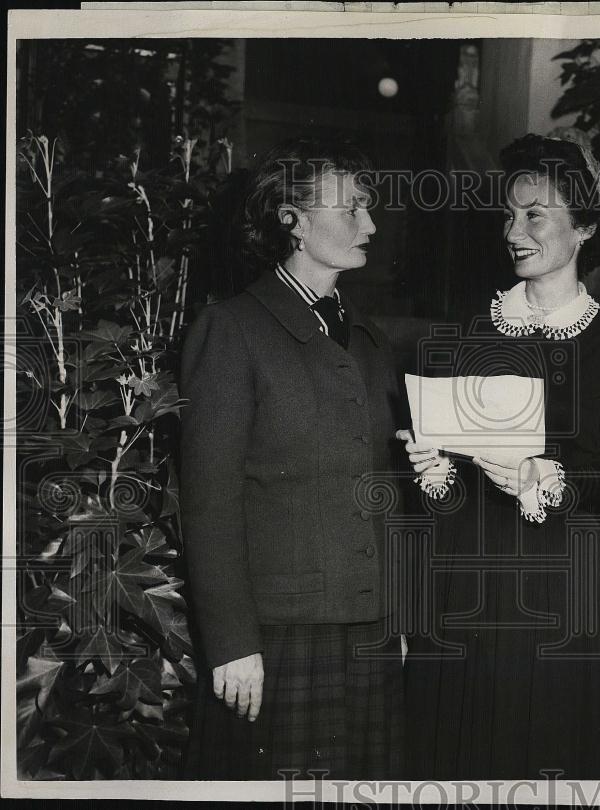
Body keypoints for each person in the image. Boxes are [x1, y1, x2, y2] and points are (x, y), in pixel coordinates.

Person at [397, 133, 600, 779]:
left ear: (586, 226)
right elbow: (439, 500)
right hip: (464, 592)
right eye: (509, 215)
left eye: (535, 214)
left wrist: (553, 479)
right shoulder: (463, 334)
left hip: (563, 601)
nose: (515, 230)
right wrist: (431, 475)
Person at [180, 137, 404, 779]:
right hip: (276, 636)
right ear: (294, 221)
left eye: (368, 208)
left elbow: (383, 489)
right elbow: (210, 500)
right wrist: (231, 643)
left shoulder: (367, 341)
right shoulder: (233, 330)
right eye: (350, 209)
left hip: (367, 627)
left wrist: (399, 613)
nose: (369, 223)